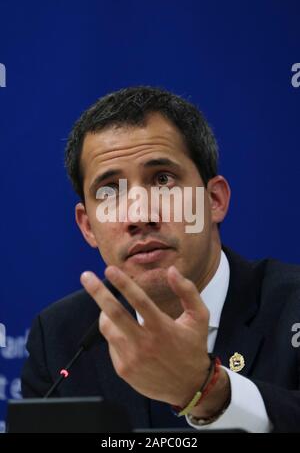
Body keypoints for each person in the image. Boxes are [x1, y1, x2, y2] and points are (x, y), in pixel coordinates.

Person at [21, 86, 300, 432]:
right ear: (88, 226)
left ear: (214, 201)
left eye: (163, 180)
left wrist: (207, 390)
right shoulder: (61, 338)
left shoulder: (292, 307)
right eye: (109, 191)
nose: (139, 215)